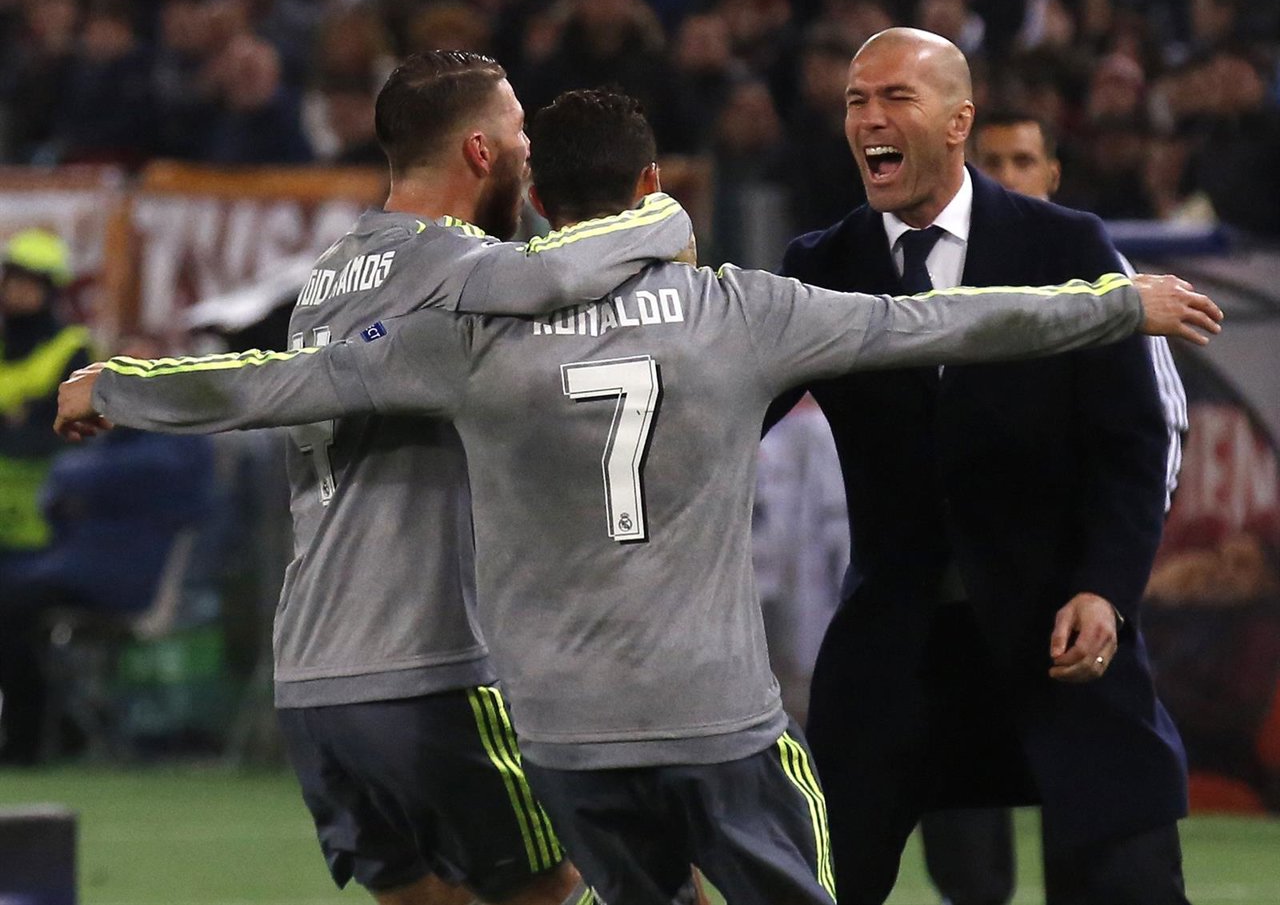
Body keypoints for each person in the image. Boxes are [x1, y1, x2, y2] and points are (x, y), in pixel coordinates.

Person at [56, 89, 1221, 905]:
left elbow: (273, 381)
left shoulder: (462, 337)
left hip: (562, 728)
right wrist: (1117, 304)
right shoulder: (739, 310)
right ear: (653, 185)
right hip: (716, 716)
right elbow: (952, 319)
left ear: (536, 199)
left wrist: (124, 384)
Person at [68, 51, 692, 905]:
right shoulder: (457, 268)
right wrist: (659, 216)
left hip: (317, 685)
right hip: (427, 666)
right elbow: (559, 273)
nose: (529, 154)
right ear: (479, 152)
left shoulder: (332, 276)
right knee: (566, 882)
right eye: (517, 132)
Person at [773, 28, 1194, 905]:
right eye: (856, 100)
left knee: (1132, 879)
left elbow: (1133, 444)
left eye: (895, 97)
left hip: (1058, 631)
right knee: (807, 884)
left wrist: (1106, 588)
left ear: (959, 119)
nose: (869, 118)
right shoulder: (821, 266)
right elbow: (733, 411)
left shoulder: (1069, 249)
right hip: (898, 645)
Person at [908, 109, 1194, 905]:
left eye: (1024, 158)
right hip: (955, 603)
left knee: (1105, 838)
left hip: (1065, 588)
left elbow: (1155, 434)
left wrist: (1108, 572)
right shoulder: (932, 272)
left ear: (1054, 172)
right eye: (992, 159)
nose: (1007, 175)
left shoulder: (1100, 270)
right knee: (968, 864)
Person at [0, 227, 92, 765]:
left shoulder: (74, 349)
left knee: (15, 630)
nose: (16, 290)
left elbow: (49, 437)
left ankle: (29, 742)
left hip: (50, 527)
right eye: (11, 278)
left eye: (28, 281)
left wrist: (23, 426)